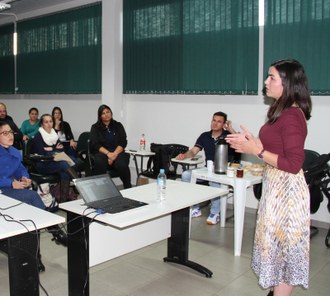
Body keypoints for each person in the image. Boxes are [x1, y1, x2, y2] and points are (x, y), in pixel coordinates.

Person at [226, 59, 312, 296]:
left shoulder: (292, 115)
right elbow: (276, 148)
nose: (266, 81)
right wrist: (251, 142)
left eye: (271, 77)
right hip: (275, 188)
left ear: (287, 83)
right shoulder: (280, 112)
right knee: (274, 252)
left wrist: (258, 151)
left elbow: (294, 164)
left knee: (283, 257)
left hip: (288, 194)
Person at [0, 121, 67, 272]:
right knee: (32, 197)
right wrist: (11, 183)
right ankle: (54, 231)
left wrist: (25, 178)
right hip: (2, 191)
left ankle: (36, 255)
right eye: (5, 133)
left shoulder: (14, 152)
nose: (10, 135)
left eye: (11, 132)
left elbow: (21, 170)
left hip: (11, 190)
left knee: (33, 217)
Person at [176, 111, 237, 225]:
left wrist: (230, 129)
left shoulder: (228, 136)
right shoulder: (205, 136)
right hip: (207, 169)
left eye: (219, 122)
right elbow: (193, 151)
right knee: (186, 175)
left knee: (214, 181)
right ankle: (195, 208)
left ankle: (215, 213)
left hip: (223, 171)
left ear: (224, 124)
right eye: (214, 120)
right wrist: (184, 155)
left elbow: (240, 142)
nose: (215, 123)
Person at [32, 114, 79, 202]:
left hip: (54, 162)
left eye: (50, 121)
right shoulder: (38, 136)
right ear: (42, 124)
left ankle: (63, 202)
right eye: (46, 122)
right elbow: (42, 153)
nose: (49, 124)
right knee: (63, 164)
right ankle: (81, 185)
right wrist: (54, 149)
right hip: (42, 164)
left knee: (67, 167)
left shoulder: (54, 134)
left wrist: (52, 149)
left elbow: (61, 149)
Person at [90, 104, 132, 188]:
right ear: (100, 116)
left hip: (117, 152)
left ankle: (128, 187)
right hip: (103, 152)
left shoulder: (118, 125)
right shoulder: (95, 127)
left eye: (108, 112)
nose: (106, 115)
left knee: (122, 164)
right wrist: (109, 154)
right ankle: (100, 188)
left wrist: (114, 154)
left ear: (111, 113)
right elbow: (95, 144)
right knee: (99, 161)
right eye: (103, 113)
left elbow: (123, 141)